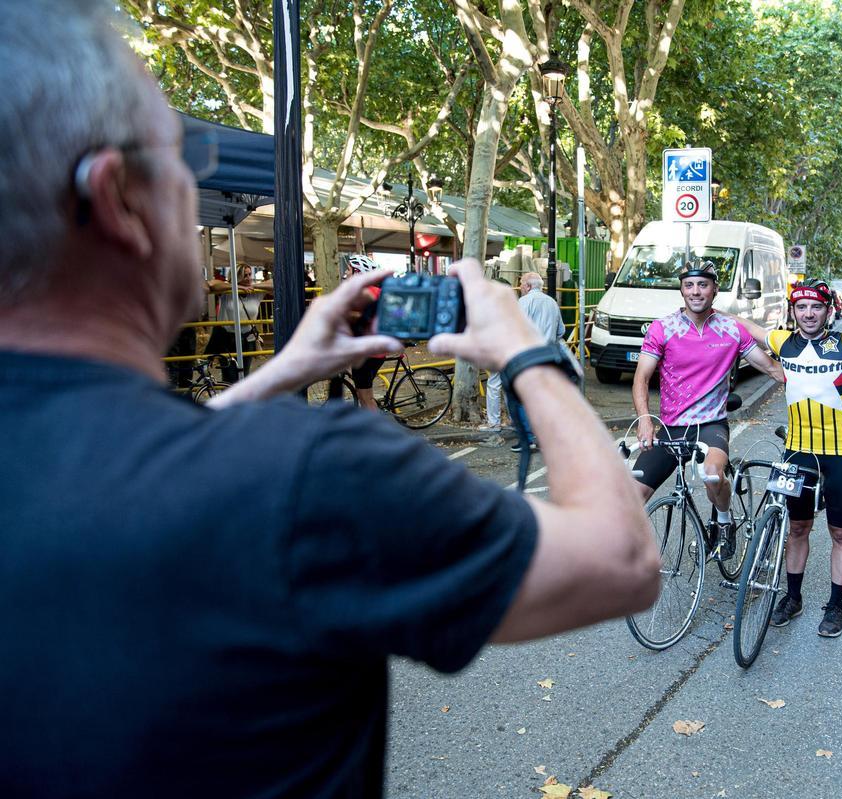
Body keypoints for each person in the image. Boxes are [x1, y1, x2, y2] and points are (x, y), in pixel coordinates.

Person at [0, 4, 659, 795]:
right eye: (183, 155)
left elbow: (113, 478)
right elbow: (622, 558)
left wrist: (282, 370)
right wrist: (528, 352)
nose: (193, 180)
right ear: (118, 199)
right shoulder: (310, 473)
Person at [729, 279, 842, 637]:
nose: (808, 313)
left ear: (828, 311)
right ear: (793, 311)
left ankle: (835, 605)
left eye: (816, 307)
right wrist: (711, 311)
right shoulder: (783, 342)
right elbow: (748, 327)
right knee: (798, 528)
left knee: (840, 532)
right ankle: (793, 598)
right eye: (801, 307)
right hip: (798, 452)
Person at [631, 261, 784, 561]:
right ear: (681, 290)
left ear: (714, 290)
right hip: (672, 426)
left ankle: (724, 522)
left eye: (703, 285)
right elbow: (641, 378)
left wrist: (820, 377)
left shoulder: (731, 329)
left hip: (711, 424)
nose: (695, 291)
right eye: (689, 285)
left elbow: (771, 368)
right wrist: (645, 420)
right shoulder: (663, 328)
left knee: (713, 475)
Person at [486, 271, 566, 451]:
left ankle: (528, 438)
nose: (520, 287)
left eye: (522, 283)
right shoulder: (552, 303)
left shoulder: (524, 302)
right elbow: (561, 331)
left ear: (528, 286)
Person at [204, 262, 273, 382]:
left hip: (247, 338)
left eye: (250, 274)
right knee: (229, 376)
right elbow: (211, 284)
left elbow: (274, 284)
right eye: (245, 275)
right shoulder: (227, 291)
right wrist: (238, 287)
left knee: (244, 375)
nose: (249, 278)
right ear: (237, 277)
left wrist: (254, 286)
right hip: (228, 338)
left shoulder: (256, 292)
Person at [343, 253, 389, 409]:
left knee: (366, 398)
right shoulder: (376, 290)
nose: (346, 273)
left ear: (357, 272)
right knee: (363, 394)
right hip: (375, 351)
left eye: (348, 269)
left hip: (368, 353)